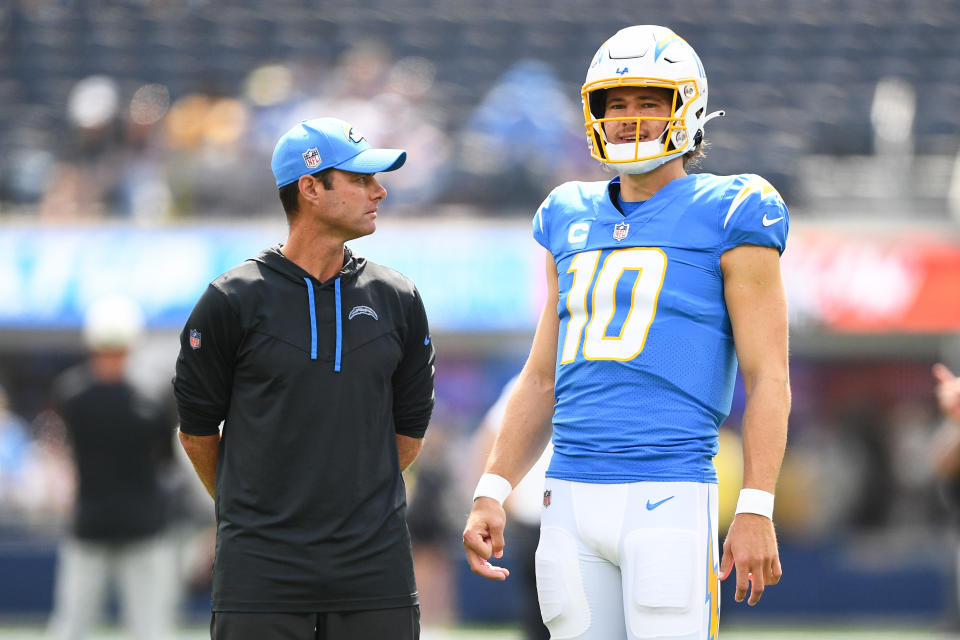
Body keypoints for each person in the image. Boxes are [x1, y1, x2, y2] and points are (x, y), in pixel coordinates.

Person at [462, 25, 791, 640]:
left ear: (687, 107)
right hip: (567, 496)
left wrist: (756, 504)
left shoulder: (733, 210)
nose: (629, 119)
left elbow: (768, 375)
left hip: (669, 489)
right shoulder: (566, 212)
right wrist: (493, 487)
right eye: (616, 104)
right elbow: (541, 376)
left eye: (649, 101)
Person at [173, 117, 435, 640]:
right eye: (360, 179)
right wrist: (255, 509)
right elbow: (197, 431)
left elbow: (407, 435)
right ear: (311, 188)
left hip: (373, 573)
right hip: (259, 575)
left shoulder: (397, 298)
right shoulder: (232, 300)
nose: (378, 190)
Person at [46, 295, 180, 640]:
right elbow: (167, 460)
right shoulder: (151, 396)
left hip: (94, 523)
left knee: (71, 625)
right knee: (149, 628)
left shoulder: (71, 393)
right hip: (140, 524)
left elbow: (66, 454)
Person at [472, 374, 551, 640]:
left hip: (572, 514)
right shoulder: (528, 380)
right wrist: (497, 496)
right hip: (533, 518)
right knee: (538, 612)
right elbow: (491, 436)